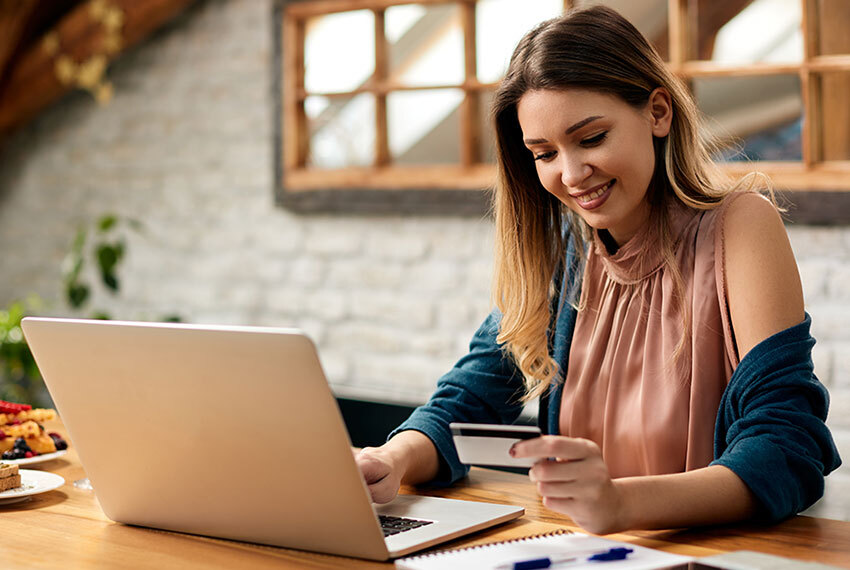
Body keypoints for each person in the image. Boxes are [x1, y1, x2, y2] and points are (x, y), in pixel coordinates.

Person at [355, 5, 841, 534]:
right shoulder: (566, 247)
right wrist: (393, 459)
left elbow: (789, 446)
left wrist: (620, 505)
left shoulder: (740, 226)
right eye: (544, 154)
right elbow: (472, 395)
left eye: (590, 139)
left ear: (658, 112)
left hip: (702, 553)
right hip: (578, 550)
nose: (571, 174)